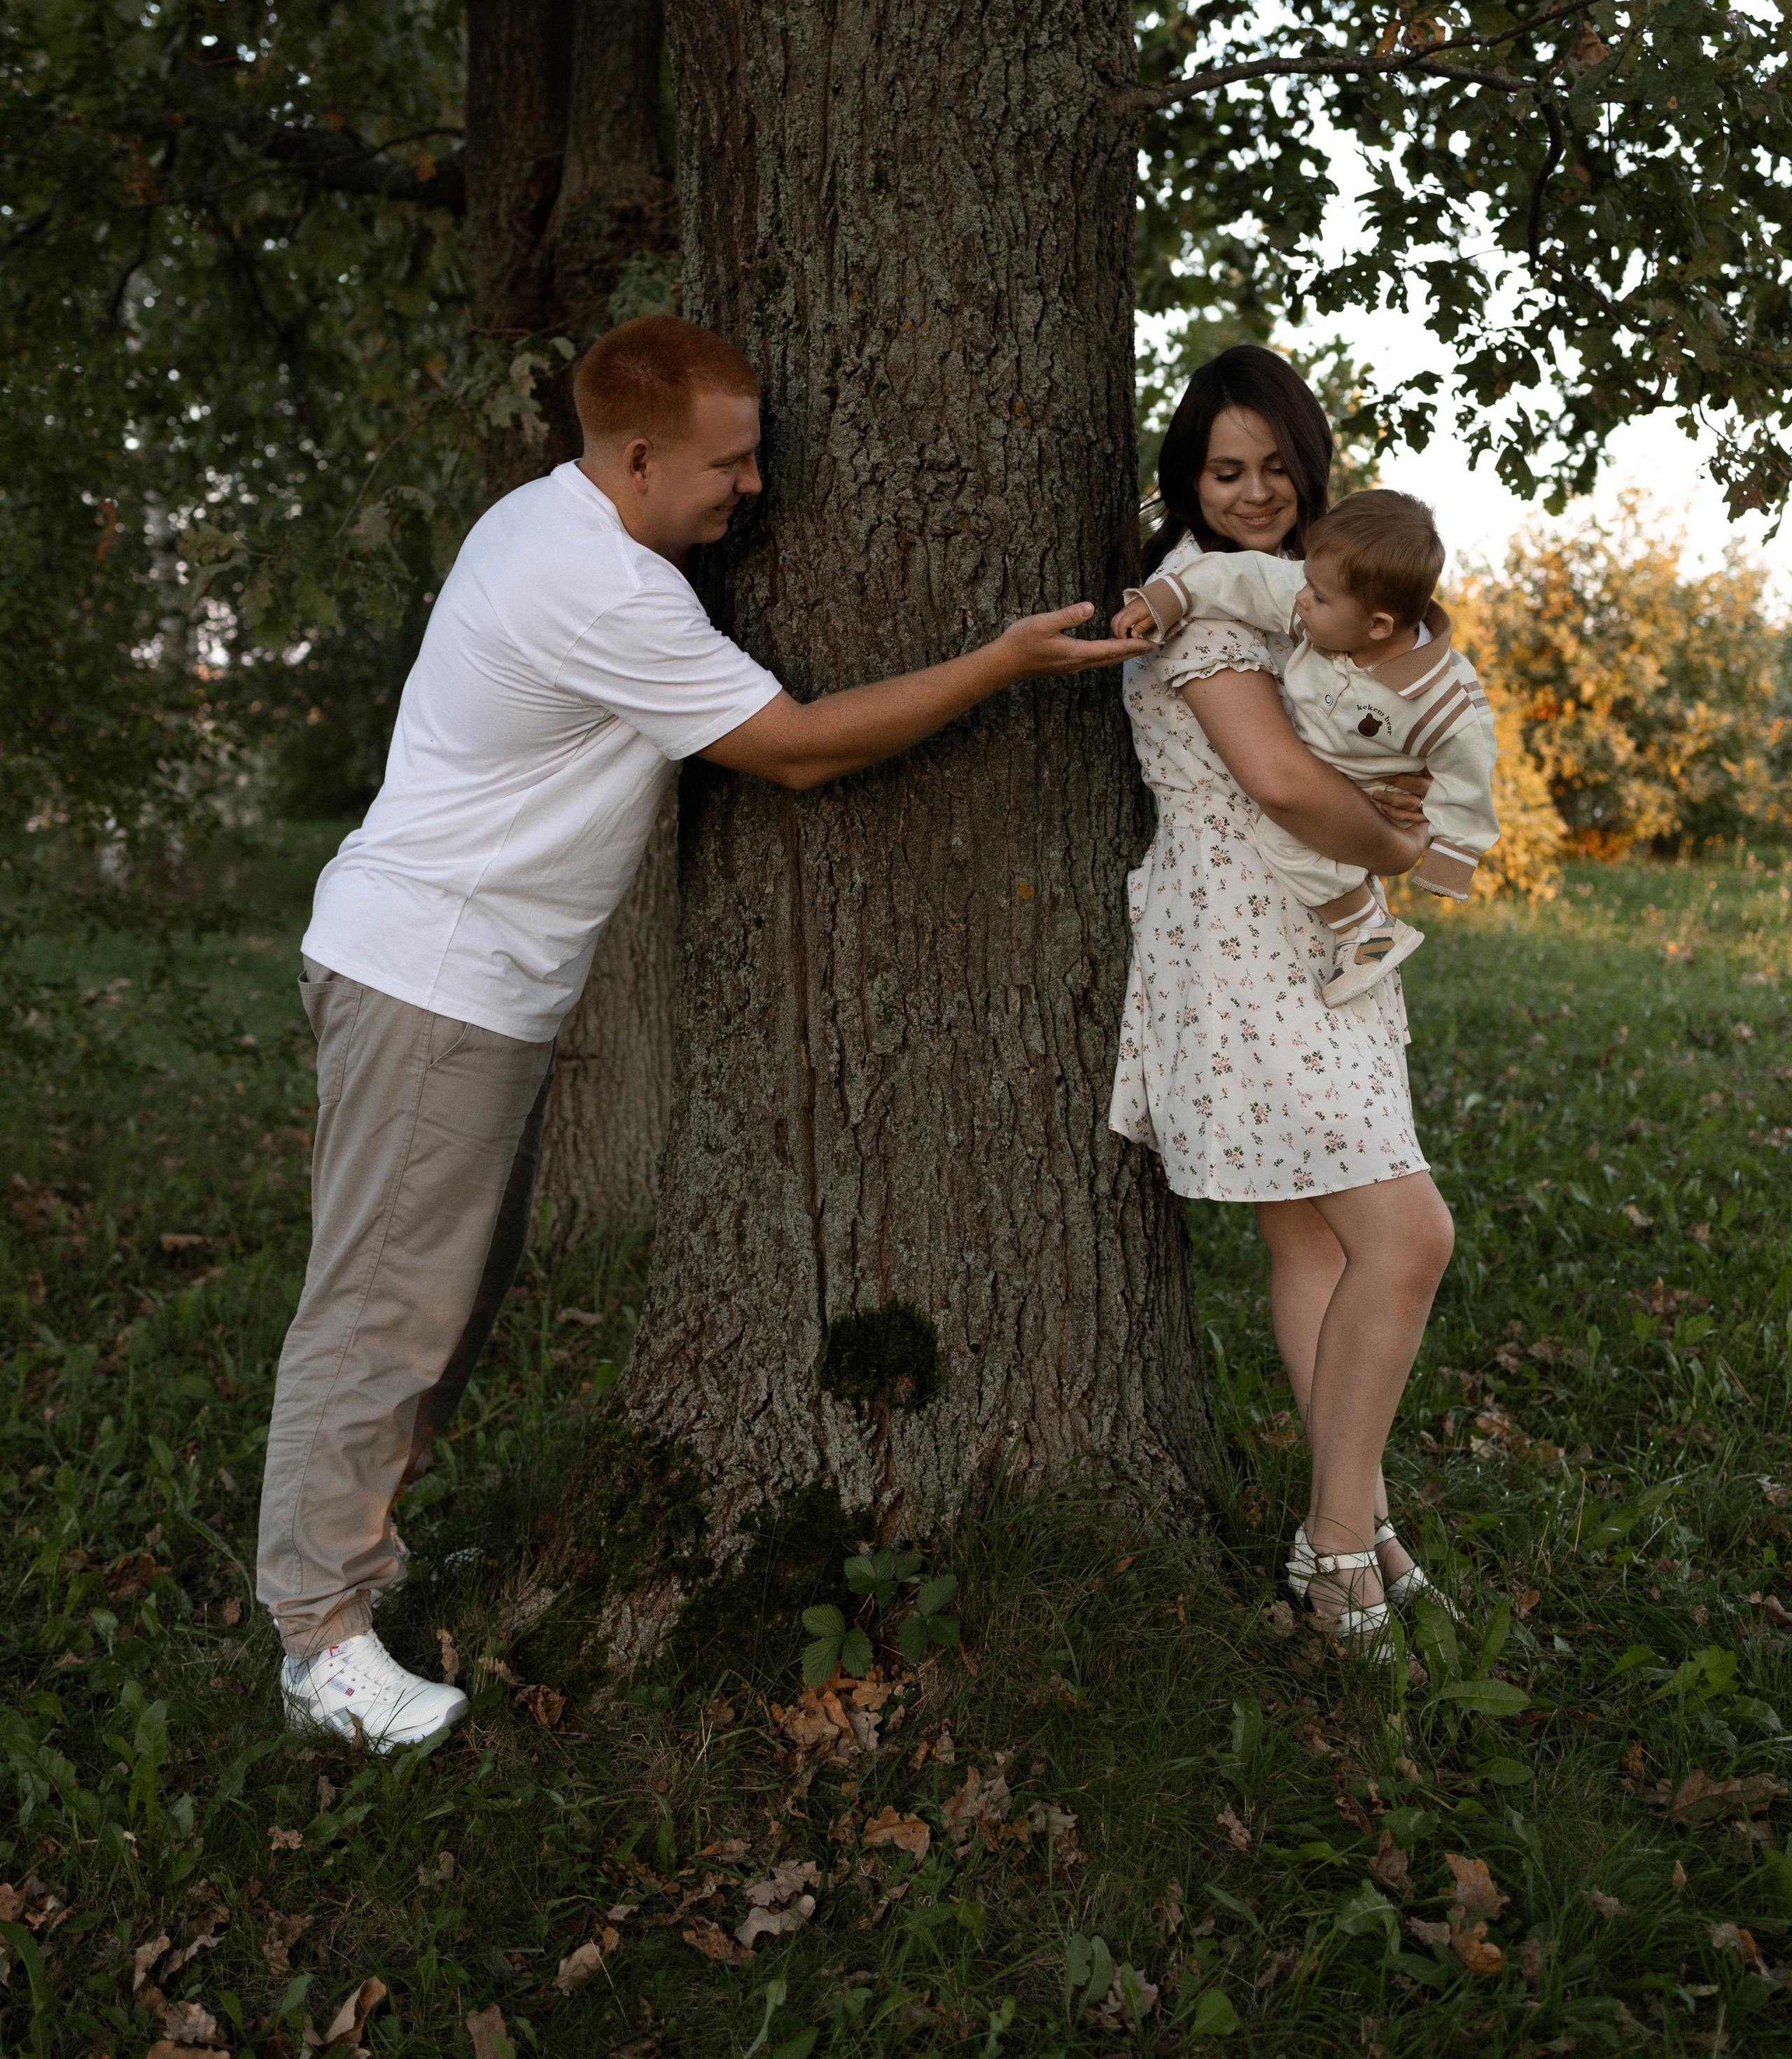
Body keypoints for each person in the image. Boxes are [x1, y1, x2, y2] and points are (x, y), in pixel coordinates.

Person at [260, 314, 1147, 1747]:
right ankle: (319, 1642)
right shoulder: (600, 585)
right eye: (729, 464)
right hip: (431, 979)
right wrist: (997, 664)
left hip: (465, 980)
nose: (754, 487)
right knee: (382, 1314)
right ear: (637, 459)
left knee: (450, 1299)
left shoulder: (554, 524)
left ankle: (360, 1556)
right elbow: (794, 749)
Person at [1108, 344, 1456, 1658]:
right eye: (1223, 471)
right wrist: (1400, 844)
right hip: (1249, 952)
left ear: (1311, 468)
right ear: (1187, 483)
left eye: (1273, 466)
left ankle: (1358, 1534)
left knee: (1318, 1248)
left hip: (1313, 946)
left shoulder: (1310, 604)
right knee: (1408, 1239)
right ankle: (1340, 1546)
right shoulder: (1202, 611)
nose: (1253, 492)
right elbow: (1279, 783)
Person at [1114, 487, 1499, 1005]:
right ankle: (1369, 930)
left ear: (1379, 625)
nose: (1301, 598)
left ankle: (1367, 930)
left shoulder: (1444, 702)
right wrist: (1172, 596)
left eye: (1317, 596)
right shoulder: (1326, 603)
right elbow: (1248, 578)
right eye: (1307, 584)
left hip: (1371, 786)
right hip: (1318, 769)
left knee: (1283, 840)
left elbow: (1469, 776)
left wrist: (1453, 853)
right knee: (1292, 836)